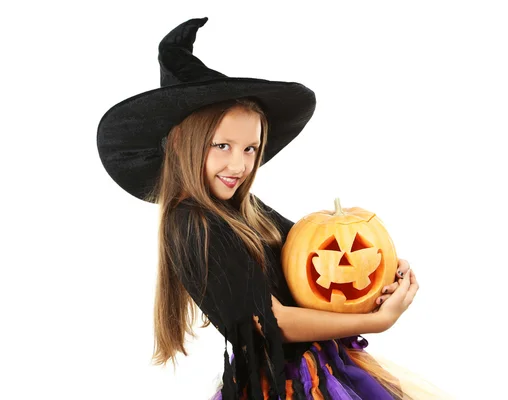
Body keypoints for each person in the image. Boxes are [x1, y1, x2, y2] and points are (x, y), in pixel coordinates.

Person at [97, 17, 454, 400]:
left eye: (250, 149)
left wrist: (379, 266)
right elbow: (272, 323)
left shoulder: (245, 209)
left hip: (324, 366)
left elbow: (312, 257)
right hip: (284, 387)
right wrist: (377, 320)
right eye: (222, 146)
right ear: (183, 142)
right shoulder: (193, 223)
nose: (239, 165)